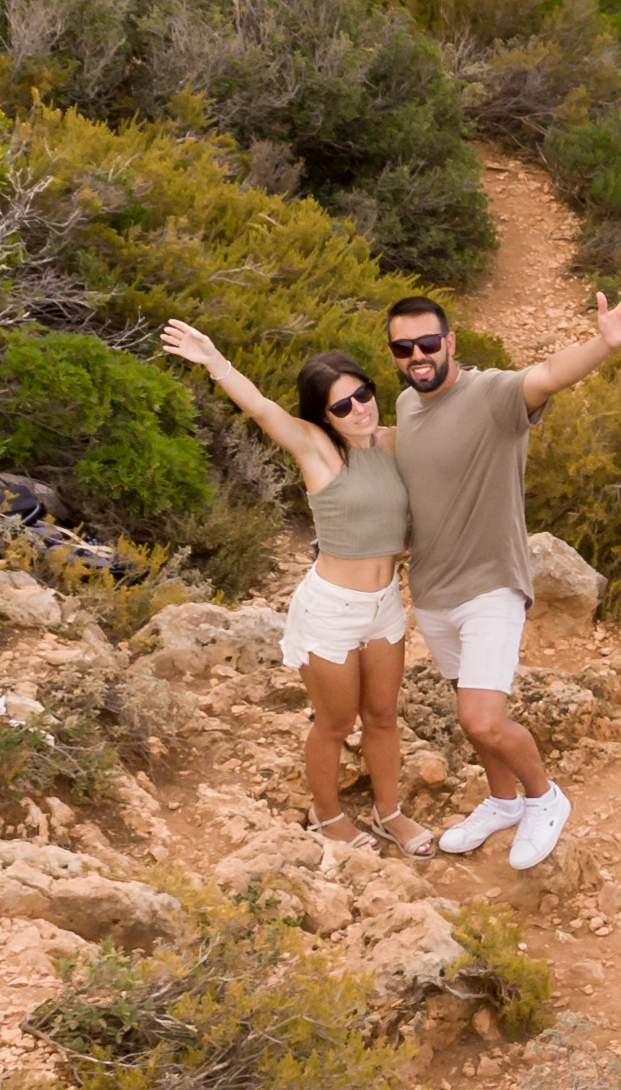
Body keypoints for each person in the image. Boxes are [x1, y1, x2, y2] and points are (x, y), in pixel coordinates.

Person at [383, 286, 621, 869]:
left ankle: (544, 798)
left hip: (490, 585)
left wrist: (604, 343)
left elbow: (547, 375)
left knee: (482, 718)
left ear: (450, 342)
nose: (417, 355)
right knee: (467, 709)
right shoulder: (405, 405)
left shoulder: (491, 394)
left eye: (428, 343)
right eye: (403, 348)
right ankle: (502, 802)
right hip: (432, 590)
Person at [159, 320, 435, 858]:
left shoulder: (393, 443)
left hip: (385, 606)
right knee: (335, 723)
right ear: (323, 415)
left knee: (383, 717)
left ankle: (390, 813)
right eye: (342, 406)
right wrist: (214, 361)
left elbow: (448, 436)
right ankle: (326, 816)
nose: (359, 409)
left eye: (363, 394)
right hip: (331, 610)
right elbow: (262, 409)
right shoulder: (317, 448)